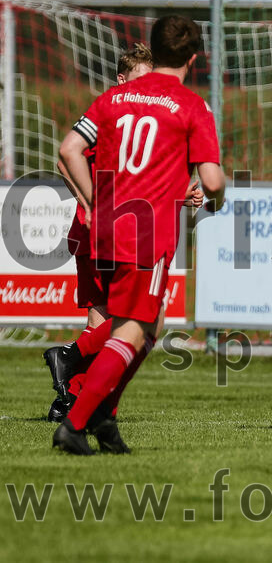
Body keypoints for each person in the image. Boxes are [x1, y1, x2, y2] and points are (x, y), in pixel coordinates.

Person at [53, 15, 225, 455]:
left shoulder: (112, 98)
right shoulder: (191, 106)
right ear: (193, 57)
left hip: (108, 227)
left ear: (154, 47)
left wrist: (95, 202)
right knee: (134, 329)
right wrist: (218, 200)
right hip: (146, 231)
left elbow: (69, 149)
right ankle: (76, 421)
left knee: (145, 325)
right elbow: (213, 180)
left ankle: (105, 417)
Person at [46, 44, 155, 423]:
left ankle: (70, 399)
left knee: (105, 321)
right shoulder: (108, 109)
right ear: (122, 80)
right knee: (135, 319)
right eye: (141, 81)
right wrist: (91, 205)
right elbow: (65, 157)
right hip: (100, 232)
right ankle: (77, 381)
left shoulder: (140, 117)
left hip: (119, 229)